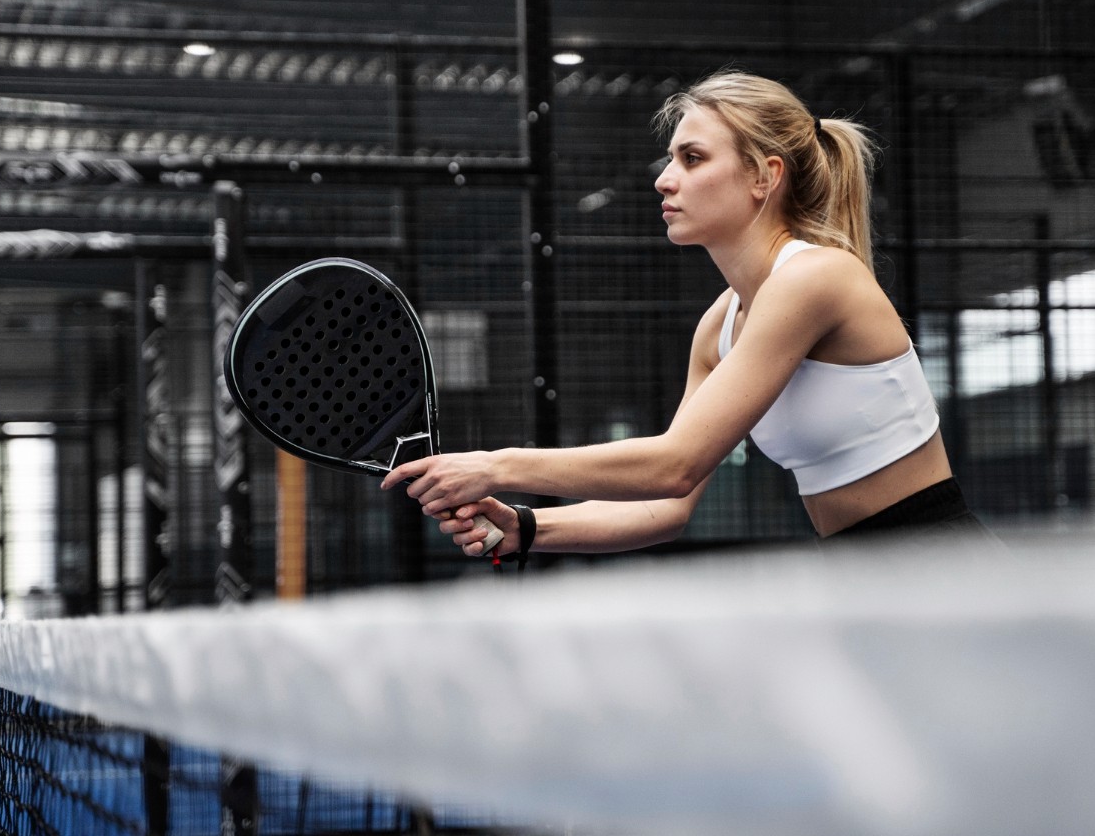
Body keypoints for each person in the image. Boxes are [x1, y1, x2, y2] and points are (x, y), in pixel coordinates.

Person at [381, 70, 991, 558]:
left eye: (693, 158)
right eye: (670, 159)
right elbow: (667, 508)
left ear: (763, 176)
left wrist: (494, 466)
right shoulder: (719, 326)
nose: (665, 180)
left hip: (942, 568)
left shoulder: (815, 277)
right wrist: (528, 525)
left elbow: (675, 465)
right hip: (866, 581)